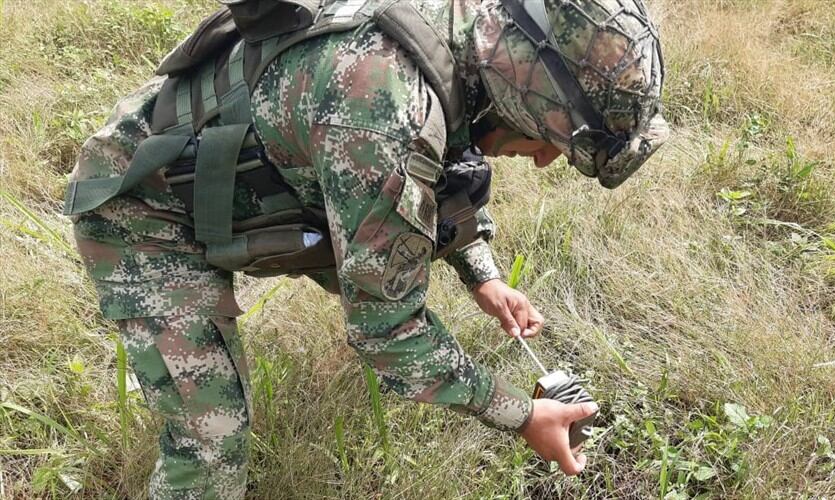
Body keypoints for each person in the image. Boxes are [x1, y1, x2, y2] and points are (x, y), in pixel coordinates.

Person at [65, 0, 667, 497]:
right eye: (549, 140)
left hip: (259, 174)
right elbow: (387, 333)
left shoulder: (471, 33)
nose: (543, 159)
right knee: (211, 442)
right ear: (525, 94)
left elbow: (445, 174)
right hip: (141, 207)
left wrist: (482, 272)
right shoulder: (384, 114)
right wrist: (522, 416)